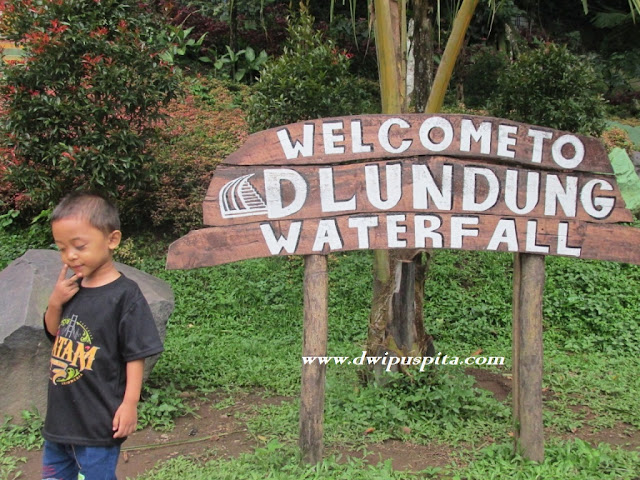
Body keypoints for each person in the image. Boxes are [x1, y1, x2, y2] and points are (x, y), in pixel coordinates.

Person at [42, 191, 164, 480]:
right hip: (60, 420)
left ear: (112, 240)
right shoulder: (71, 288)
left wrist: (130, 403)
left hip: (99, 422)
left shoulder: (125, 295)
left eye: (79, 246)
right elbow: (53, 333)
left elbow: (135, 353)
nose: (70, 255)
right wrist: (56, 302)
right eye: (61, 248)